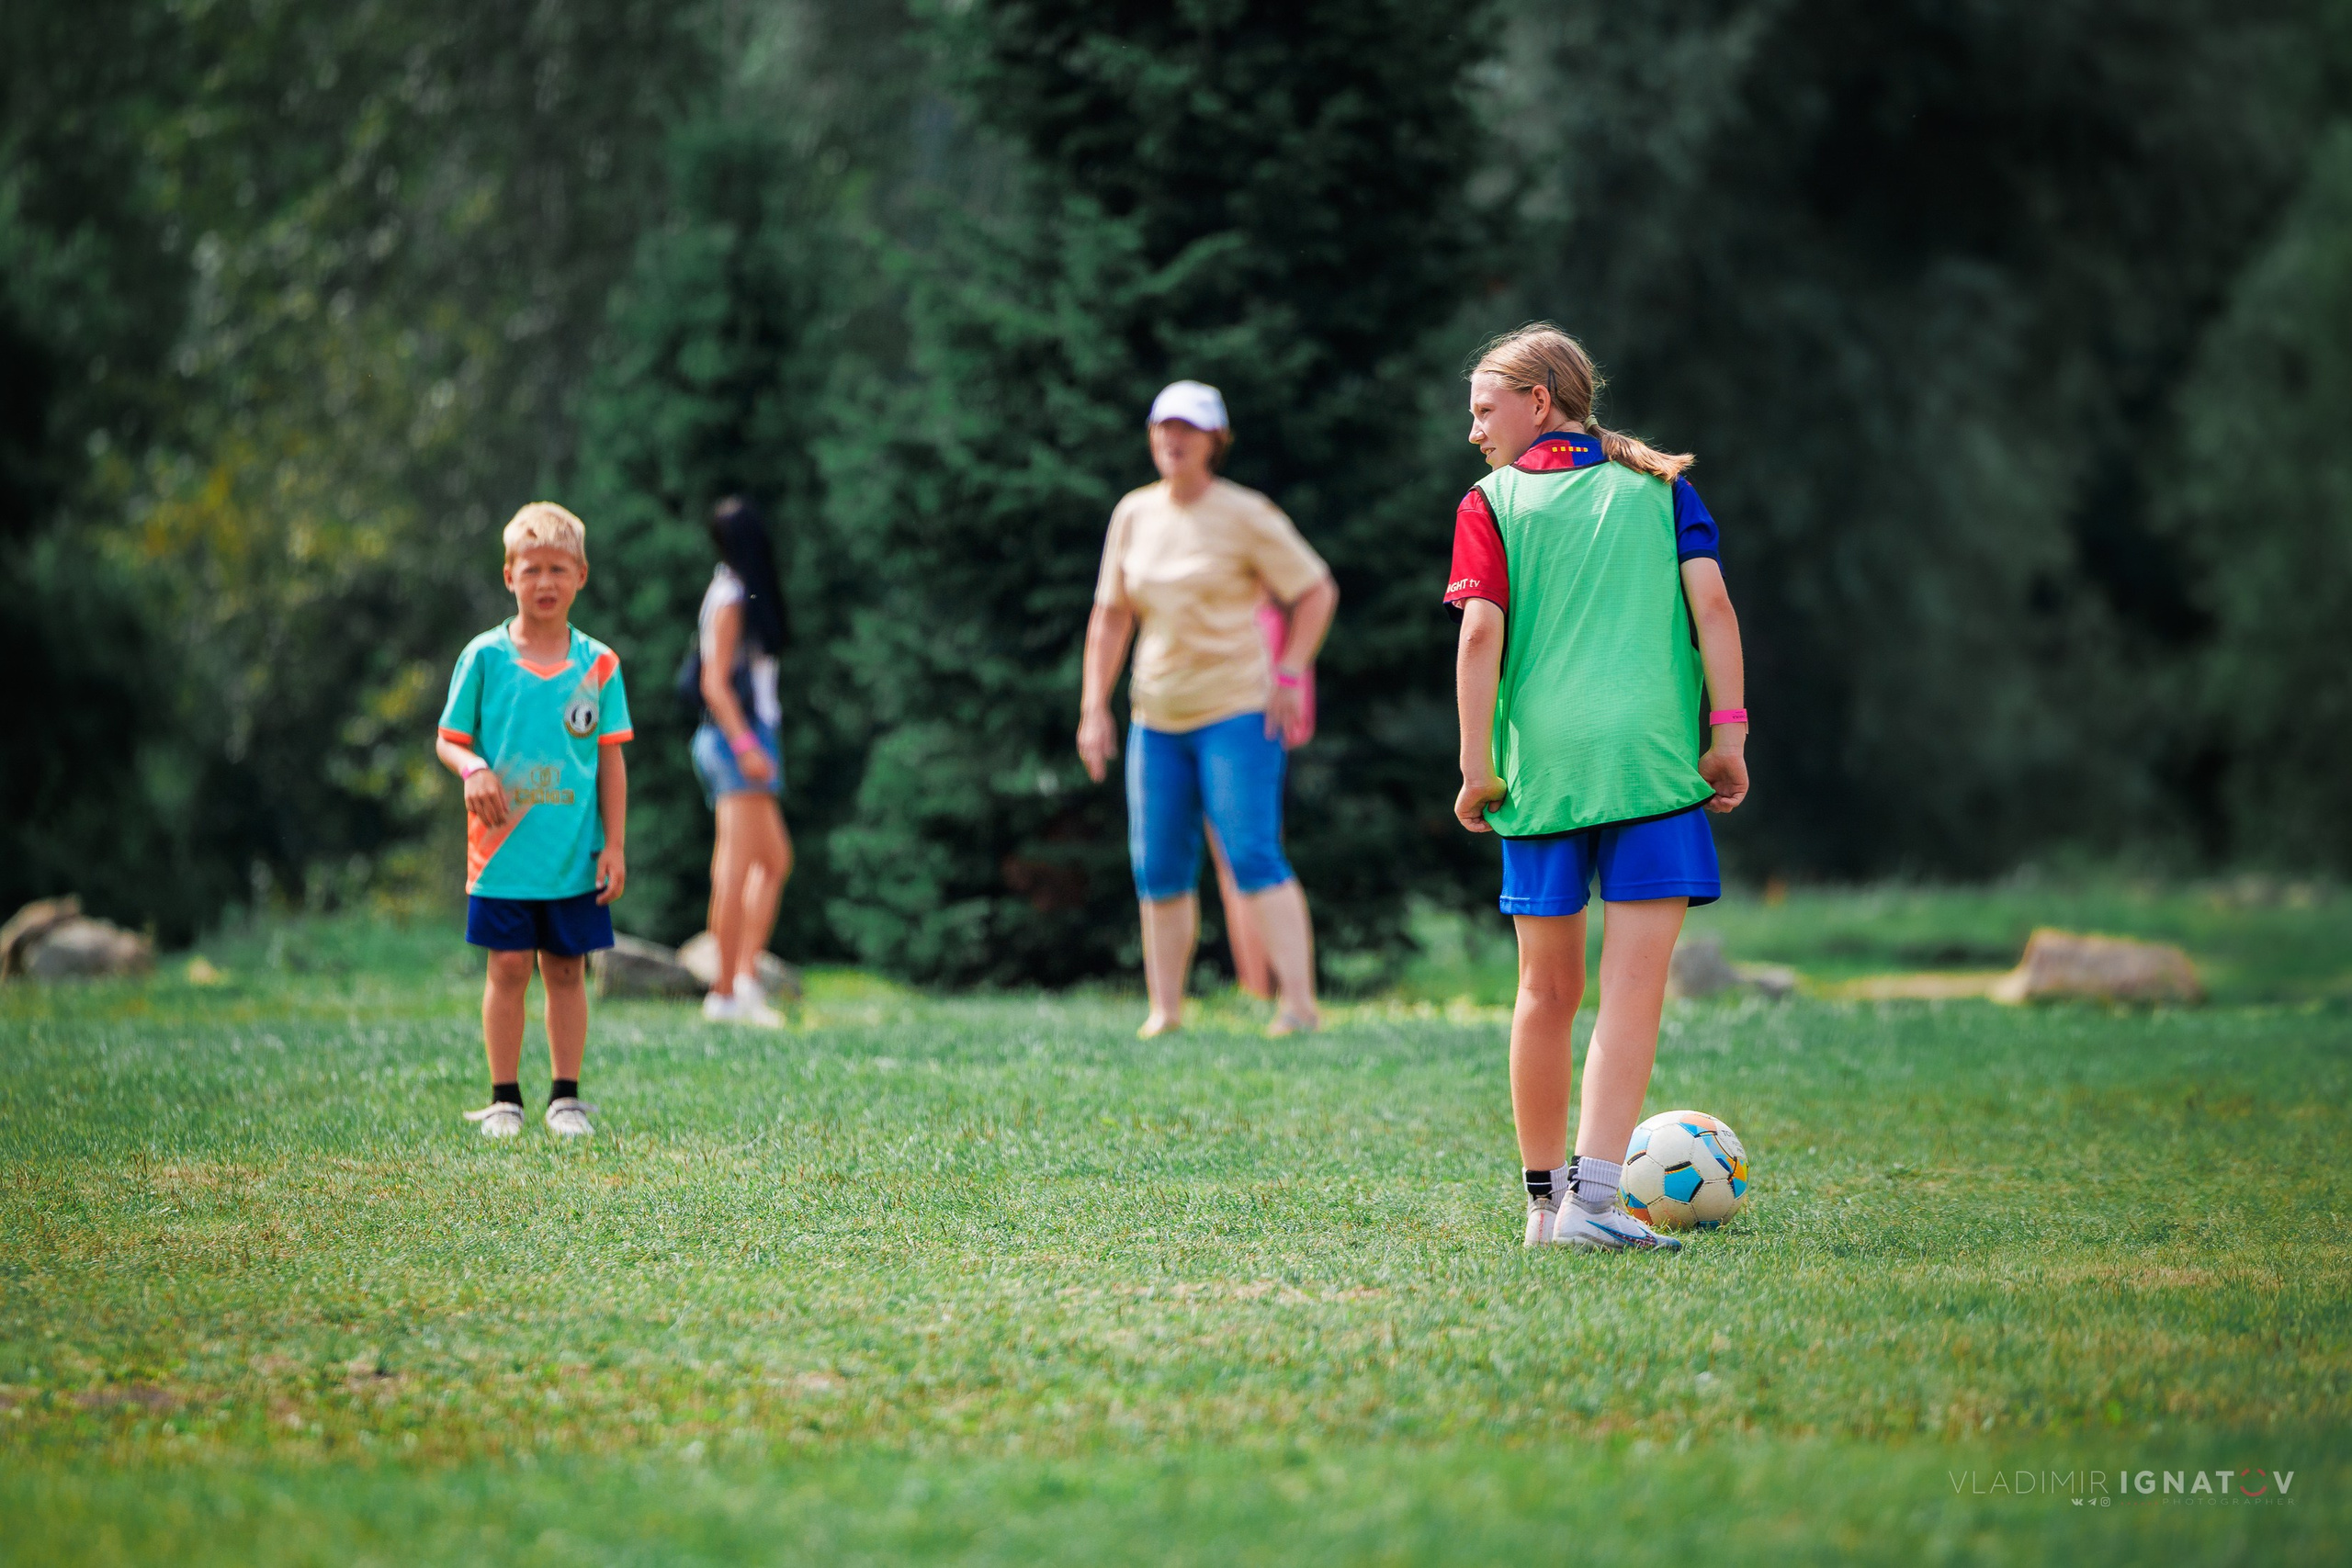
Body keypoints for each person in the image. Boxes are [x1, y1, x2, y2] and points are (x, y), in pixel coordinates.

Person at [1444, 324, 1749, 1249]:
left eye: (1482, 409)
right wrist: (1727, 735)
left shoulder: (1489, 503)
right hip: (1653, 770)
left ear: (1539, 401)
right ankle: (1597, 1201)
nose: (1473, 432)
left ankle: (1545, 1211)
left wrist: (1474, 765)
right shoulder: (1663, 491)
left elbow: (1476, 637)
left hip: (1541, 775)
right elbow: (1715, 609)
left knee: (1543, 992)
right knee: (1631, 991)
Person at [1079, 380, 1338, 1038]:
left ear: (1214, 441)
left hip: (1237, 712)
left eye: (1188, 429)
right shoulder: (1133, 513)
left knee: (1253, 855)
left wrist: (1290, 669)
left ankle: (1299, 1006)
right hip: (1154, 717)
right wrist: (1093, 706)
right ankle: (1165, 1010)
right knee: (1157, 865)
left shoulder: (1245, 513)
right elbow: (1110, 617)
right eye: (1163, 427)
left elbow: (1315, 590)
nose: (1173, 439)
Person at [435, 502, 632, 1139]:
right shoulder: (485, 657)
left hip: (574, 852)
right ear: (508, 576)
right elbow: (449, 738)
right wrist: (474, 770)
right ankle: (503, 1099)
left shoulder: (599, 664)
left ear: (582, 576)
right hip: (502, 855)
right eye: (532, 569)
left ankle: (566, 1099)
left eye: (558, 569)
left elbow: (609, 761)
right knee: (509, 967)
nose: (544, 582)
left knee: (567, 968)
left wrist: (615, 845)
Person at [689, 495, 794, 1029]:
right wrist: (748, 747)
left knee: (772, 862)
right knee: (734, 869)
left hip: (752, 738)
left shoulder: (739, 591)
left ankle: (744, 979)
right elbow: (714, 682)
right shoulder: (730, 594)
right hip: (737, 742)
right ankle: (725, 992)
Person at [1209, 597, 1316, 998]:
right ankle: (1262, 987)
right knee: (1250, 862)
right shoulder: (1285, 607)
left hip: (1239, 737)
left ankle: (1263, 989)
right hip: (1265, 739)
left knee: (1245, 864)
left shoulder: (1255, 612)